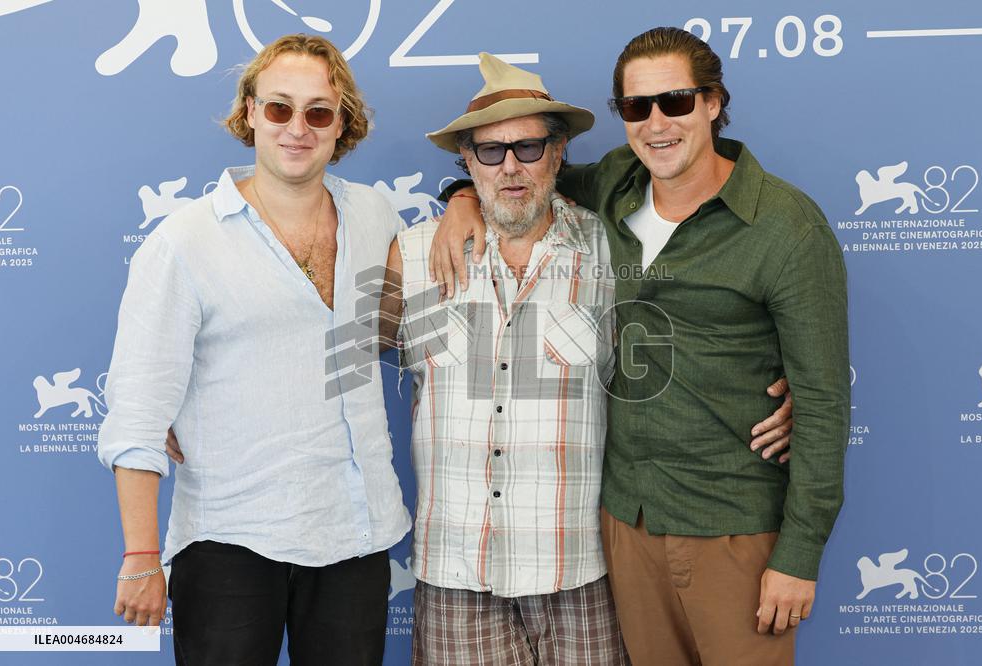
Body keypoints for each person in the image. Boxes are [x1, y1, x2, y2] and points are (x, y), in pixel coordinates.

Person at [431, 27, 850, 666]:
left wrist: (798, 557)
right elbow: (521, 173)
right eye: (636, 107)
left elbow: (823, 406)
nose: (656, 123)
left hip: (731, 525)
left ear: (713, 103)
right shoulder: (616, 185)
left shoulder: (787, 228)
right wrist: (460, 198)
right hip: (626, 525)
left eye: (675, 102)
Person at [97, 34, 409, 666]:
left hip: (356, 533)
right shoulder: (182, 243)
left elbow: (390, 333)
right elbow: (136, 412)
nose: (298, 128)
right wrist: (138, 556)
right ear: (249, 113)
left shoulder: (377, 216)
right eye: (279, 108)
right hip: (229, 541)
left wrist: (462, 198)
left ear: (342, 122)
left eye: (319, 111)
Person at [378, 53, 629, 665]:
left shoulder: (613, 249)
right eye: (490, 152)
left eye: (529, 147)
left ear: (560, 151)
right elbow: (317, 362)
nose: (511, 167)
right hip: (456, 573)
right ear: (465, 160)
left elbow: (697, 347)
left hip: (580, 571)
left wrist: (772, 390)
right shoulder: (408, 257)